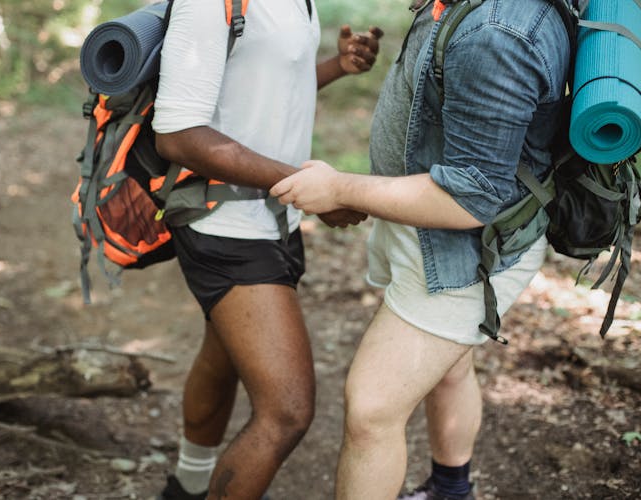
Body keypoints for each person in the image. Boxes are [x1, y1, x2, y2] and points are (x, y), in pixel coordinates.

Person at [270, 0, 572, 498]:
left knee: (371, 409)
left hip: (461, 252)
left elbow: (470, 197)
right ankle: (451, 491)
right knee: (450, 366)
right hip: (426, 225)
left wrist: (341, 188)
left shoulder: (495, 33)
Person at [151, 1, 383, 499]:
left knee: (223, 353)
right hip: (225, 223)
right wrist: (309, 186)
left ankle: (186, 486)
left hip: (271, 215)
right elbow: (176, 134)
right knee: (287, 412)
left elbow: (261, 90)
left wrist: (335, 68)